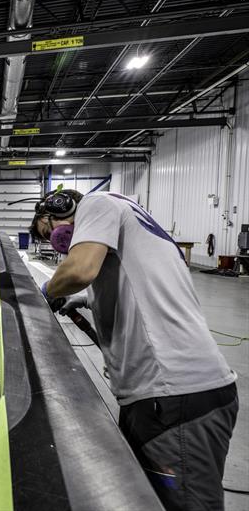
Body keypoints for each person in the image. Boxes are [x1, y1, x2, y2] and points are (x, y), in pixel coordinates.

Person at [30, 187, 238, 511]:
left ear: (61, 207)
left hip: (173, 397)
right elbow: (137, 281)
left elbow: (80, 270)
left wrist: (42, 291)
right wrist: (83, 298)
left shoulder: (97, 204)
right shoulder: (131, 214)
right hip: (179, 394)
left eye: (51, 230)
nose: (61, 242)